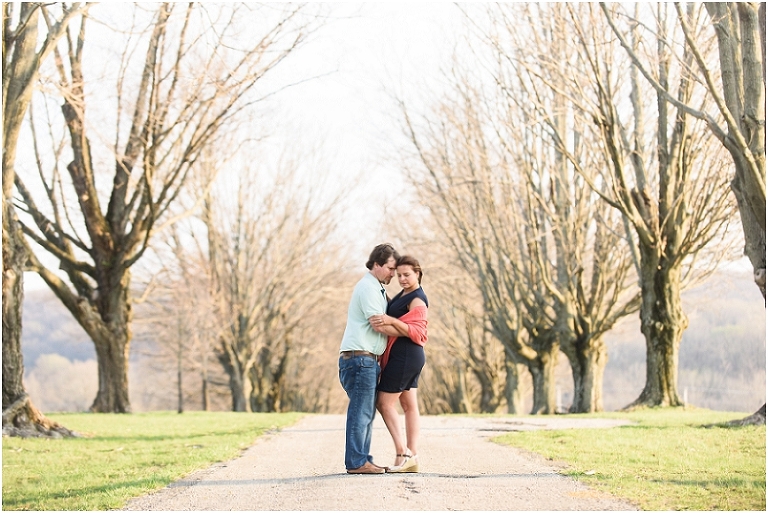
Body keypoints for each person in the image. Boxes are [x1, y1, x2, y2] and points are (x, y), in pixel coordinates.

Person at [338, 243, 399, 474]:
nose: (393, 274)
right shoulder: (368, 288)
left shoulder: (376, 288)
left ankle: (361, 459)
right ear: (376, 265)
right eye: (390, 268)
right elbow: (378, 323)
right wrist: (409, 332)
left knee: (364, 412)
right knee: (361, 412)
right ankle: (356, 462)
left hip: (365, 360)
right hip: (360, 360)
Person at [369, 255, 428, 473]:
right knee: (409, 406)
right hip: (405, 355)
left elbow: (418, 331)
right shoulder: (404, 294)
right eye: (399, 275)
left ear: (418, 273)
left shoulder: (417, 299)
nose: (402, 279)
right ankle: (412, 456)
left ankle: (403, 453)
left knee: (384, 403)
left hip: (406, 356)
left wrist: (390, 321)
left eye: (407, 275)